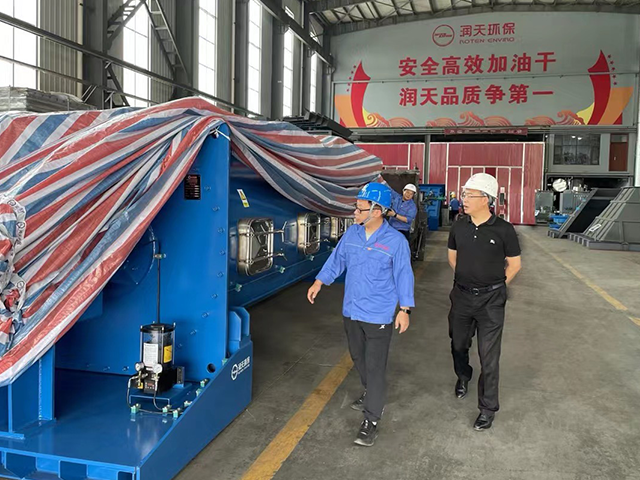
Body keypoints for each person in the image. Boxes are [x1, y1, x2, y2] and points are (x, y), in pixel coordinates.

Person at [307, 183, 414, 447]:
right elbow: (337, 260)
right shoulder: (352, 234)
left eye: (359, 208)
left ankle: (372, 418)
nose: (355, 212)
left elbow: (404, 276)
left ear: (377, 211)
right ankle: (371, 392)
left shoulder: (395, 242)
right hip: (352, 310)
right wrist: (319, 282)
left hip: (378, 315)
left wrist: (404, 309)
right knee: (357, 356)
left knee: (375, 366)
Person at [447, 173, 522, 431]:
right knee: (458, 344)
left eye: (469, 195)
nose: (463, 199)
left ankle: (487, 408)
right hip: (462, 296)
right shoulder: (459, 226)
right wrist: (468, 280)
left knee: (489, 356)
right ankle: (463, 375)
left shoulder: (504, 230)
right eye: (464, 194)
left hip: (491, 301)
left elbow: (514, 265)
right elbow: (452, 257)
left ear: (486, 199)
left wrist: (493, 286)